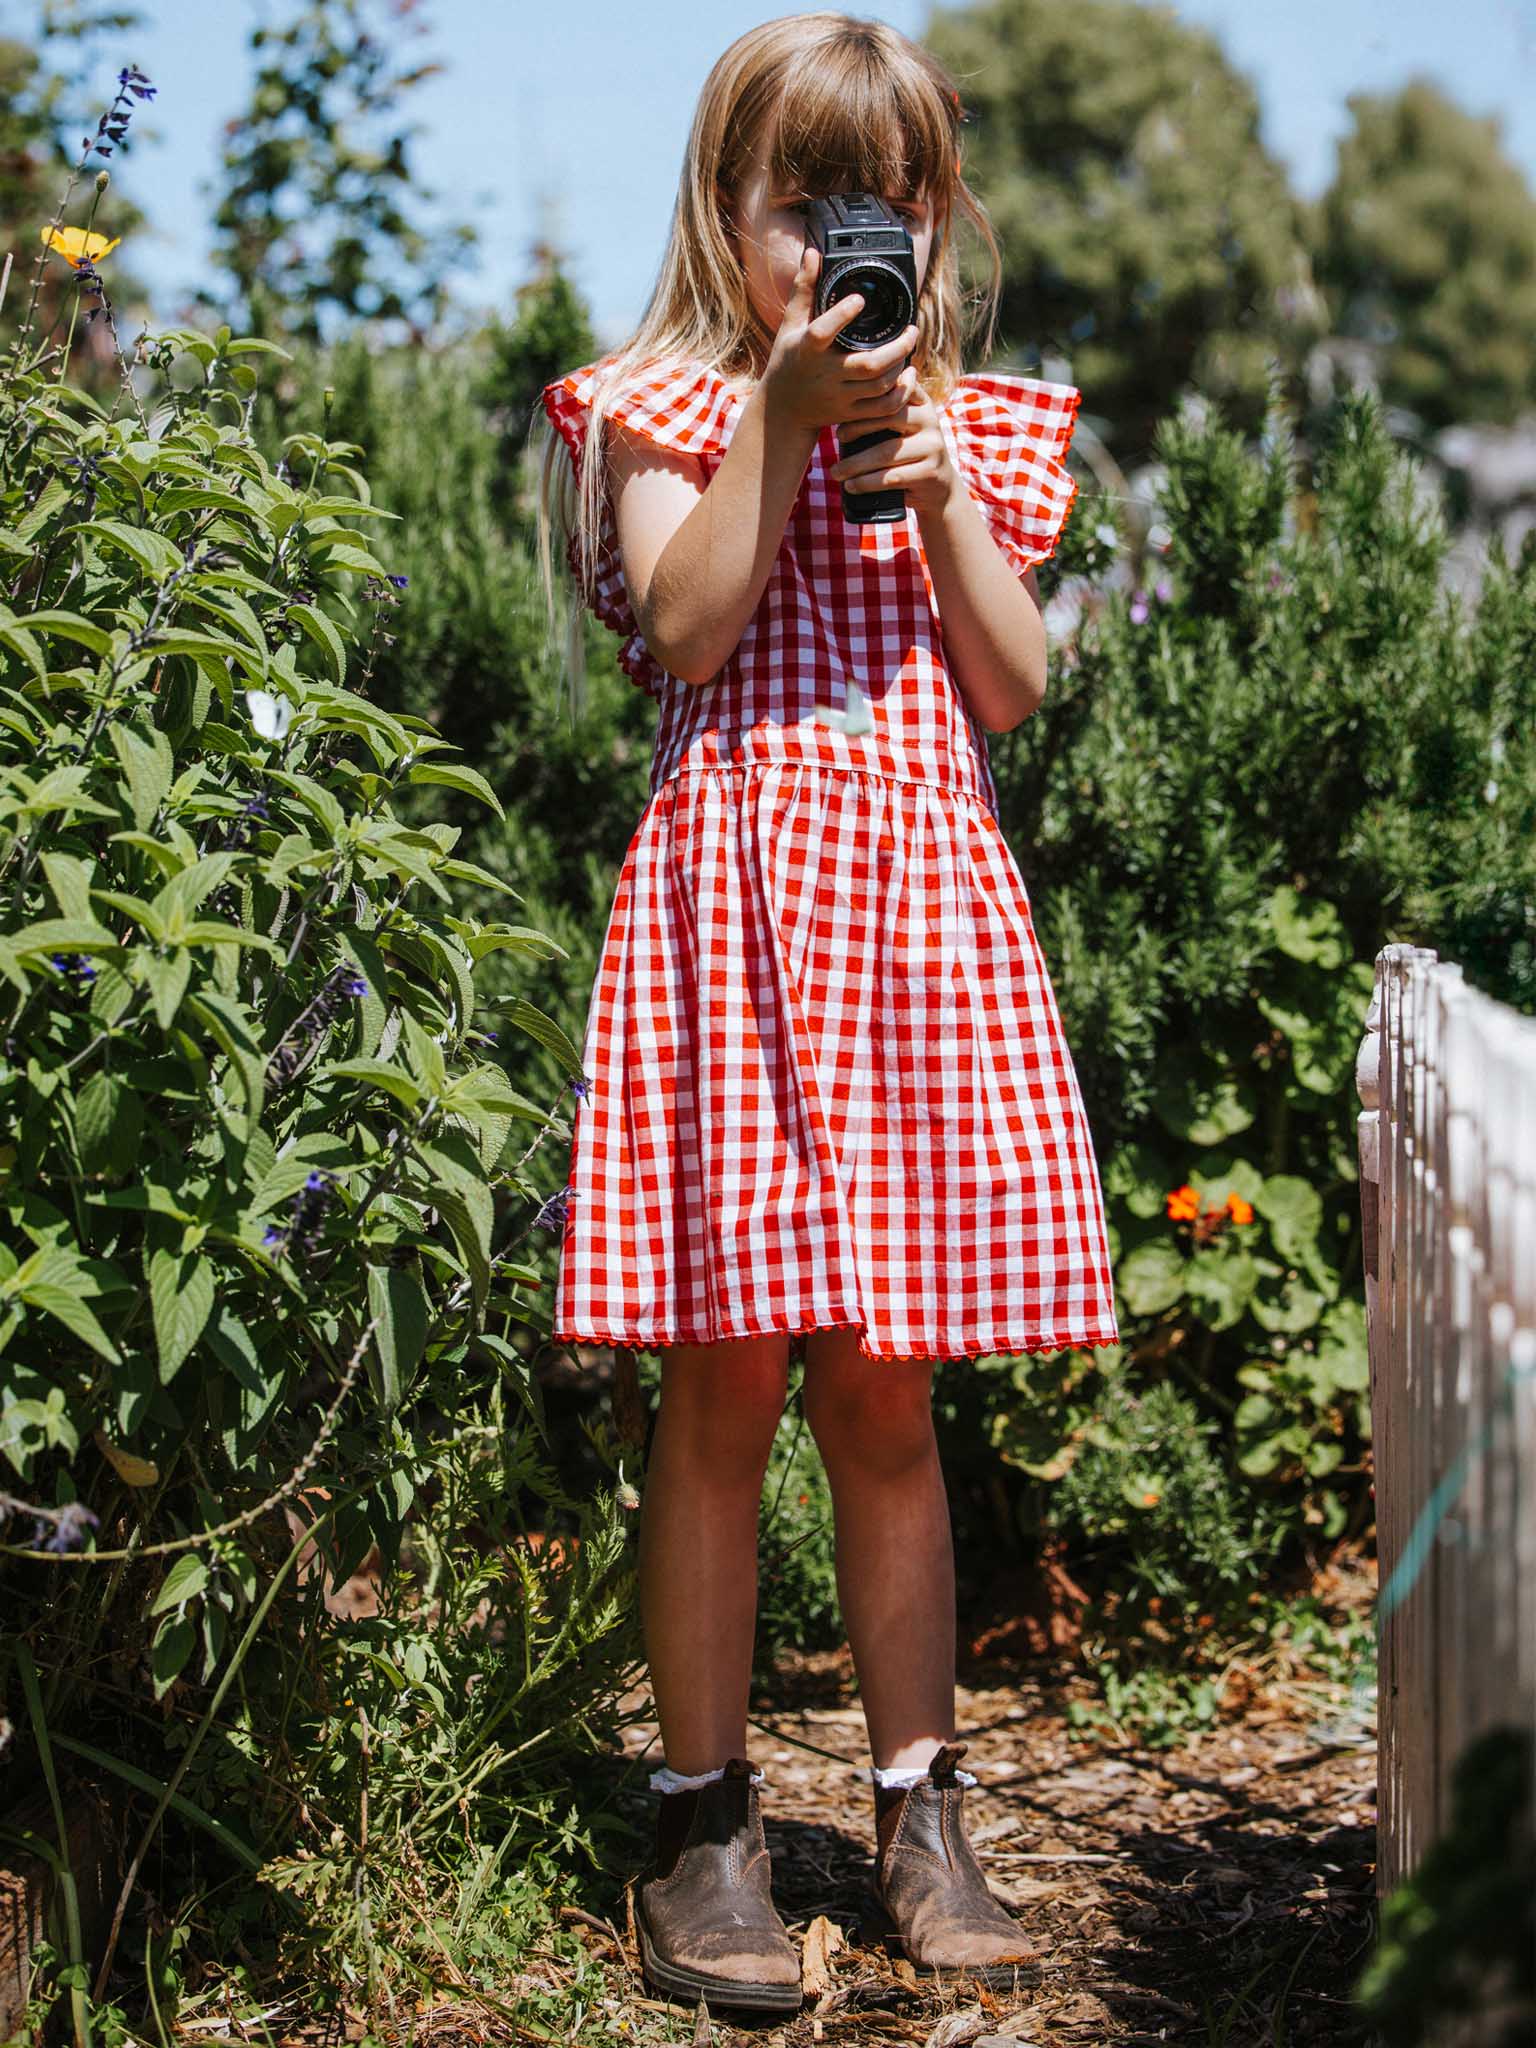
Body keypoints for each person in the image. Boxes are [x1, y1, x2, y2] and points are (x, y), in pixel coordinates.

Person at [533, 10, 1120, 2015]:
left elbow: (1015, 679)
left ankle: (917, 1803)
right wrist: (780, 415)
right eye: (807, 208)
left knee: (887, 1387)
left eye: (889, 207)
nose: (850, 247)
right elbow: (686, 627)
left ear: (936, 220)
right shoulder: (656, 412)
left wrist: (941, 486)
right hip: (737, 931)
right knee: (727, 1382)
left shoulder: (997, 426)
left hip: (916, 940)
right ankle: (701, 1822)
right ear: (730, 213)